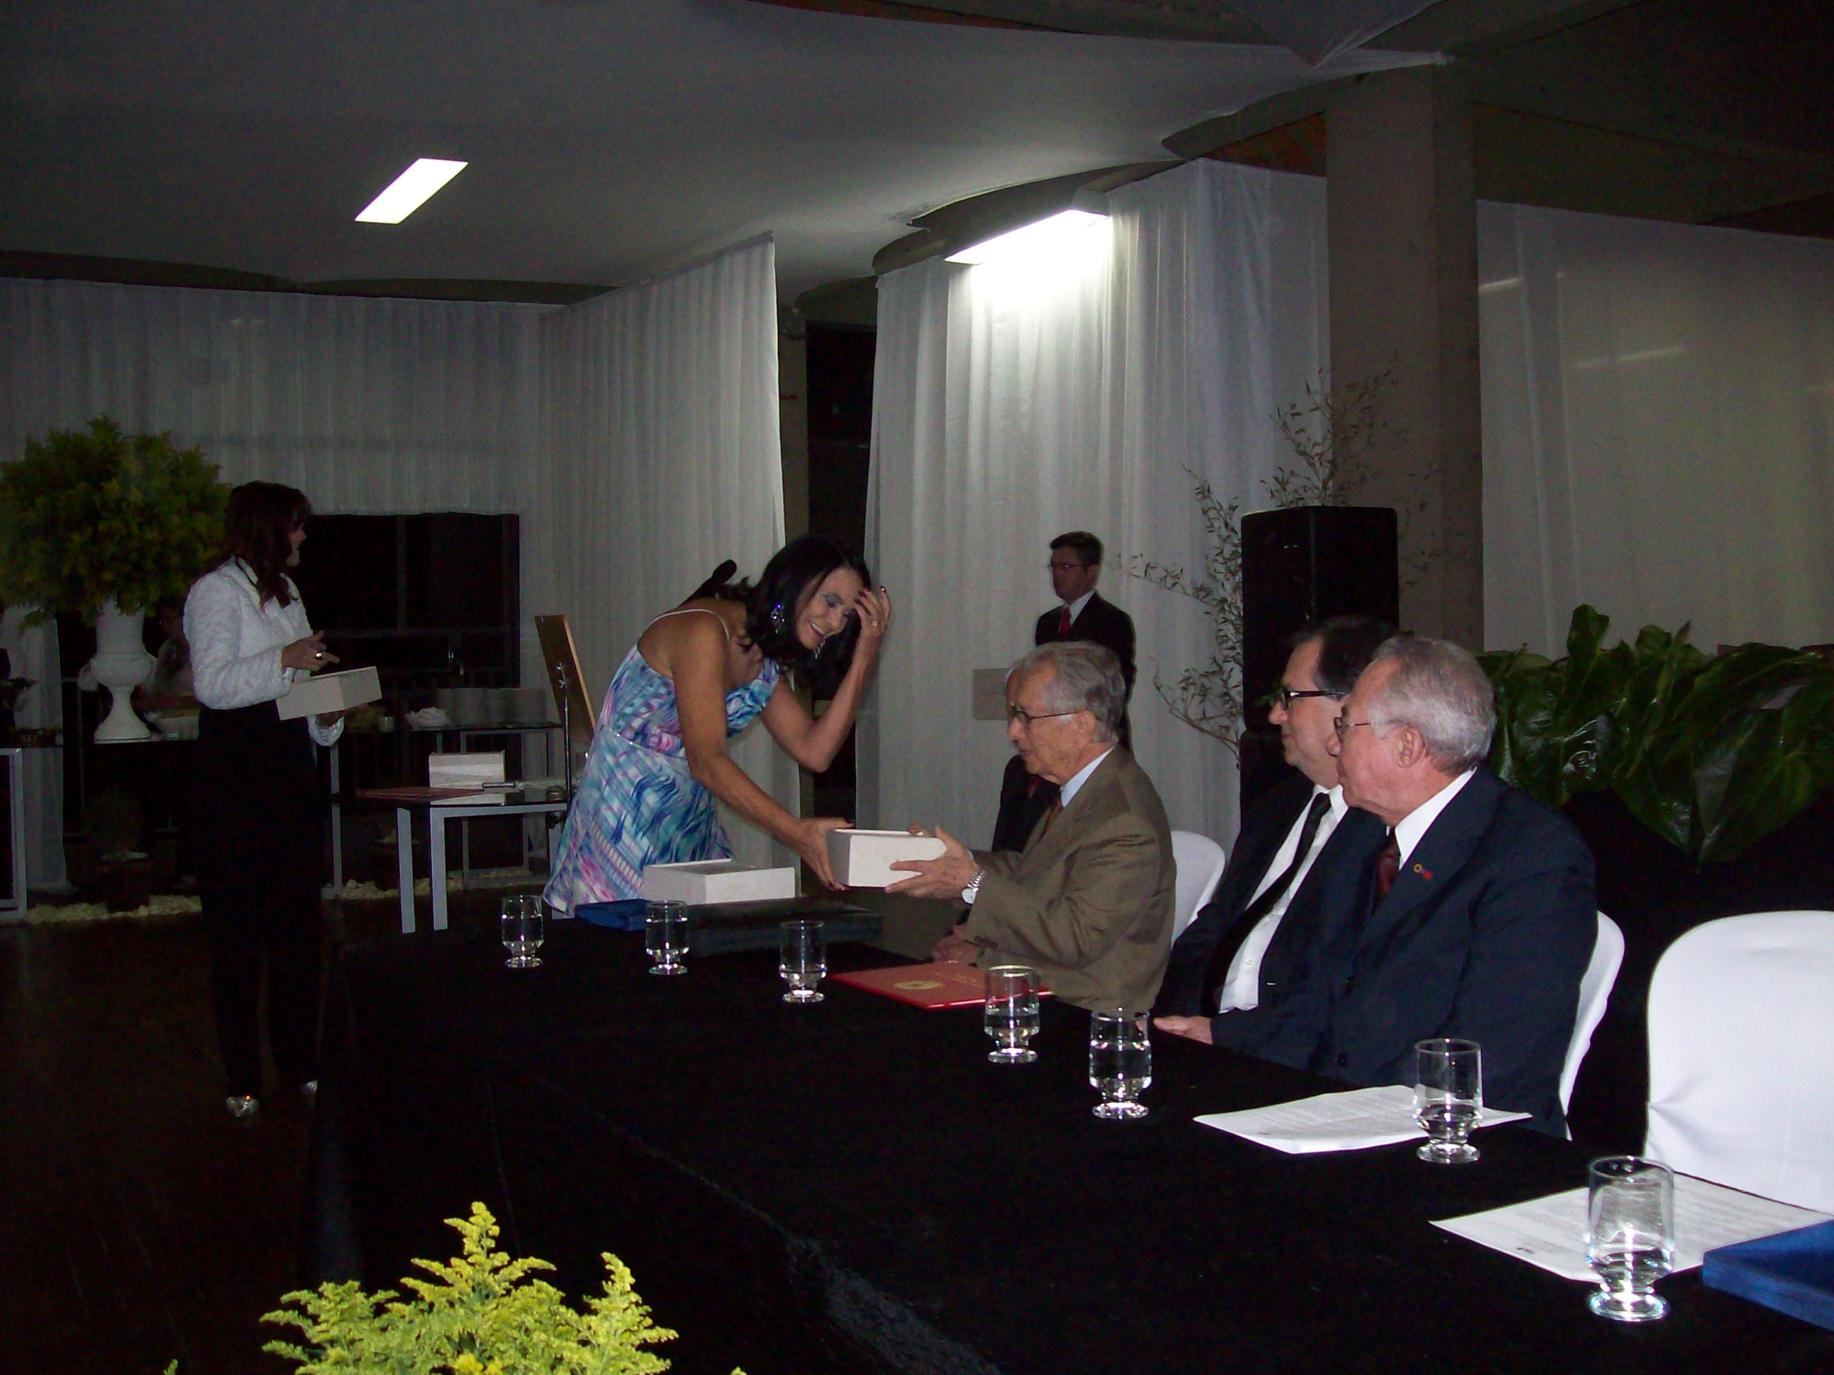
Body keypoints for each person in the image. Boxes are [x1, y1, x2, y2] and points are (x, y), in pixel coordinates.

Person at [1158, 636, 1596, 1135]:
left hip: (1455, 1137)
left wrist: (1339, 1121)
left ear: (1407, 746)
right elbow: (1320, 995)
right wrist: (1221, 1035)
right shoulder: (1367, 835)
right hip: (1340, 1108)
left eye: (1346, 726)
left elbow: (1493, 1056)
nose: (1335, 744)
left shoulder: (1531, 856)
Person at [543, 534, 891, 909]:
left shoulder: (761, 656)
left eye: (846, 616)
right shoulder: (704, 631)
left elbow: (815, 752)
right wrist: (796, 833)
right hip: (620, 826)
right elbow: (706, 760)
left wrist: (865, 654)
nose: (835, 622)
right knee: (626, 943)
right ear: (795, 581)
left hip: (686, 828)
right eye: (831, 602)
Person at [890, 641, 1174, 1012]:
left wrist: (973, 883)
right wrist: (948, 862)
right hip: (1037, 984)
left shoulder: (1124, 819)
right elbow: (1036, 872)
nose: (1012, 731)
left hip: (1081, 1010)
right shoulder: (1089, 787)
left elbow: (1076, 937)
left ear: (1082, 725)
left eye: (1026, 717)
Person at [185, 481, 345, 1120]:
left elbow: (296, 685)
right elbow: (213, 686)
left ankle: (301, 1063)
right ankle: (242, 1077)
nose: (303, 535)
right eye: (296, 524)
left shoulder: (287, 591)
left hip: (286, 776)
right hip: (234, 780)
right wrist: (286, 658)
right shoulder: (214, 592)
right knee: (237, 937)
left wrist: (328, 711)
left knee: (297, 933)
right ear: (269, 527)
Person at [1155, 616, 1392, 1017]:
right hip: (1206, 1030)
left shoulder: (1384, 829)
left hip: (1281, 1038)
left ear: (1347, 707)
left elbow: (1340, 983)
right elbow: (1212, 929)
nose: (1275, 716)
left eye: (1290, 698)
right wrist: (1167, 1023)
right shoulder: (1275, 808)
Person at [991, 530, 1138, 850]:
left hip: (1089, 738)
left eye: (1067, 567)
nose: (1058, 575)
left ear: (1092, 572)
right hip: (1051, 737)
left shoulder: (1113, 621)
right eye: (1054, 566)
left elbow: (1113, 689)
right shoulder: (1048, 623)